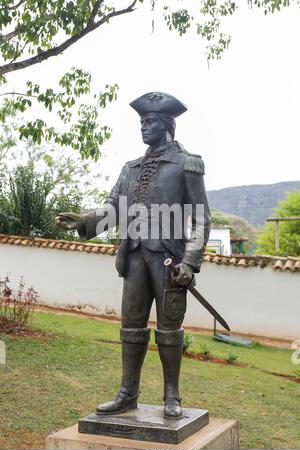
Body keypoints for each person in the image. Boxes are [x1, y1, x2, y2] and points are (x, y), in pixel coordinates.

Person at [56, 92, 211, 419]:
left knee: (170, 330)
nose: (143, 127)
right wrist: (85, 220)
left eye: (150, 121)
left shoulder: (188, 164)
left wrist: (190, 261)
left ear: (167, 124)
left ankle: (172, 396)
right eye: (141, 122)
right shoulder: (130, 169)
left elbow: (201, 218)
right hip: (135, 257)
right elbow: (114, 207)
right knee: (131, 327)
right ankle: (128, 393)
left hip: (169, 261)